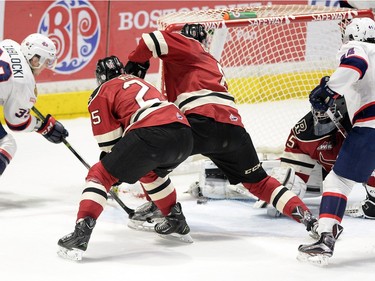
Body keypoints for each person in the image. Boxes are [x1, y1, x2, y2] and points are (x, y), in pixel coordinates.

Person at [124, 24, 318, 236]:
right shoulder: (210, 61)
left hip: (200, 124)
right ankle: (308, 218)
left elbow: (150, 40)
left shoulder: (189, 45)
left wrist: (135, 64)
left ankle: (165, 211)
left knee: (148, 162)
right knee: (260, 183)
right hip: (233, 130)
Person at [57, 56, 194, 261]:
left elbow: (109, 144)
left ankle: (80, 234)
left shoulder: (101, 92)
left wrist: (112, 170)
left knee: (99, 174)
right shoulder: (141, 82)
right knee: (148, 172)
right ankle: (176, 220)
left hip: (151, 132)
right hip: (184, 134)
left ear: (100, 77)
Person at [297, 17, 375, 265]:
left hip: (371, 125)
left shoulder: (358, 47)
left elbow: (355, 63)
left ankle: (326, 236)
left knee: (338, 180)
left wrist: (330, 90)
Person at [0, 33, 68, 176]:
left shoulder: (10, 44)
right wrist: (43, 126)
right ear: (35, 59)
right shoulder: (24, 83)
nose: (45, 67)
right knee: (7, 144)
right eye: (45, 63)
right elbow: (16, 123)